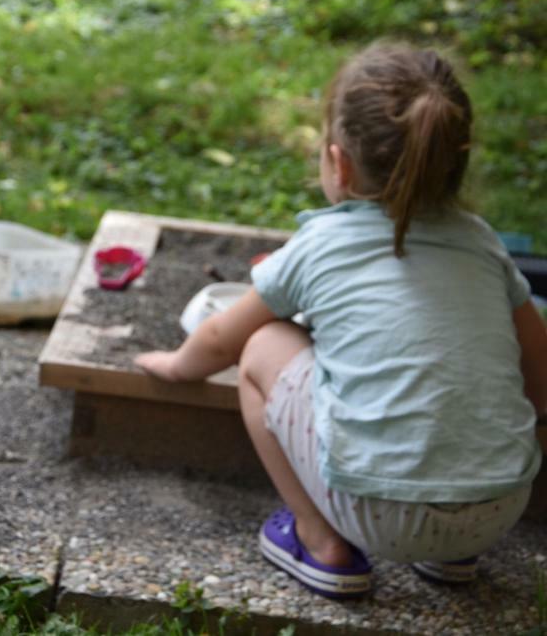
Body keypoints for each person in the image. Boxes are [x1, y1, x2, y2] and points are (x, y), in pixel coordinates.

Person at [135, 42, 546, 600]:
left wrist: (174, 367)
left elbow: (219, 339)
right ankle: (452, 553)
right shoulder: (484, 245)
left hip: (374, 511)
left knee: (261, 345)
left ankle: (321, 540)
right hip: (500, 505)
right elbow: (540, 376)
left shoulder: (323, 243)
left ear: (340, 164)